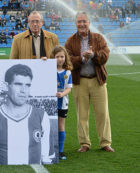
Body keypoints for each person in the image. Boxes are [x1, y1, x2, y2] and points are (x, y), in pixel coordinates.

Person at [0, 64, 51, 166]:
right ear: (6, 86)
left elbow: (47, 159)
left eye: (27, 85)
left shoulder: (42, 116)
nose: (23, 90)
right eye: (18, 84)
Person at [65, 11, 114, 153]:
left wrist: (93, 55)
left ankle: (105, 142)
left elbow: (105, 56)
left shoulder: (99, 38)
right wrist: (82, 58)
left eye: (84, 21)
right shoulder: (70, 41)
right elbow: (68, 60)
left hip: (98, 81)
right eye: (79, 21)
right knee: (82, 114)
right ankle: (84, 143)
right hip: (80, 82)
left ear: (89, 23)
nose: (81, 24)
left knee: (103, 113)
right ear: (75, 23)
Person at [50, 46, 73, 160]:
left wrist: (62, 94)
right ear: (53, 57)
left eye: (62, 56)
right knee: (49, 124)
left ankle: (60, 151)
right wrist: (44, 61)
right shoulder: (48, 69)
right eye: (57, 56)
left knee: (61, 125)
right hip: (50, 101)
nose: (60, 59)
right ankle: (48, 149)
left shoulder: (68, 72)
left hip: (62, 102)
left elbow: (69, 88)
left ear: (65, 57)